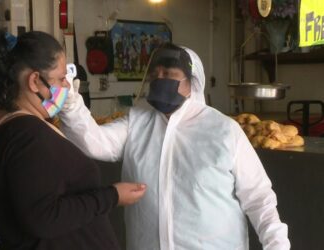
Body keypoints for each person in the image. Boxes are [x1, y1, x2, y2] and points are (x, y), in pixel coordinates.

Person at [59, 43, 290, 250]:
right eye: (155, 74)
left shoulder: (223, 130)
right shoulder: (137, 121)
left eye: (169, 74)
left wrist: (276, 245)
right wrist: (70, 104)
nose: (160, 79)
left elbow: (258, 197)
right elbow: (93, 142)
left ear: (192, 82)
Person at [0, 29, 146, 250]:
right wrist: (113, 196)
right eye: (61, 77)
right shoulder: (27, 135)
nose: (66, 85)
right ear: (35, 81)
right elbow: (44, 218)